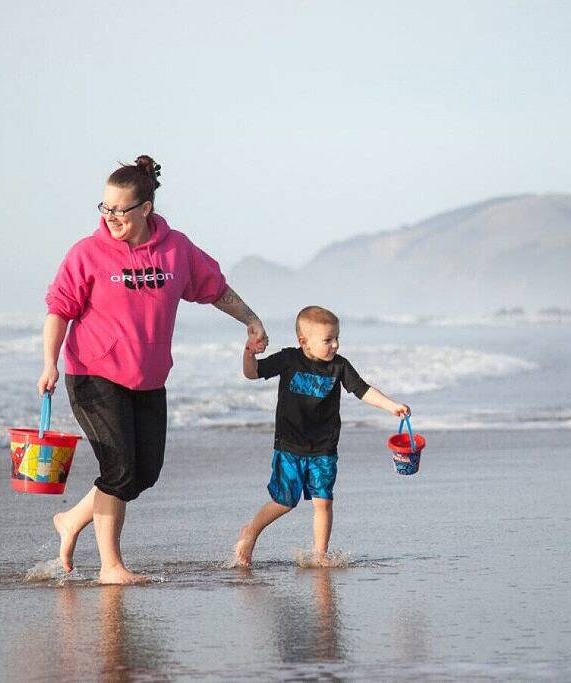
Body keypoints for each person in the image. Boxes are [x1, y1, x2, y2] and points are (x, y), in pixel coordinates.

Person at [38, 154, 268, 584]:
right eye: (103, 208)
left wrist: (251, 320)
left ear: (145, 208)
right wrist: (48, 362)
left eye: (119, 209)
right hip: (92, 373)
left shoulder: (176, 249)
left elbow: (214, 288)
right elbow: (59, 309)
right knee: (119, 469)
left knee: (144, 473)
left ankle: (71, 520)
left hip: (148, 377)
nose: (110, 217)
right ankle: (110, 567)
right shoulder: (86, 253)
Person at [234, 305, 409, 567]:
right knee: (284, 502)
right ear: (304, 341)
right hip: (290, 446)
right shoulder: (289, 359)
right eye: (328, 340)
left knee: (323, 501)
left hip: (324, 448)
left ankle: (319, 555)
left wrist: (392, 405)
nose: (335, 345)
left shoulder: (339, 367)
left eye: (337, 338)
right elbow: (252, 373)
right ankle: (251, 531)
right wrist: (249, 350)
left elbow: (363, 390)